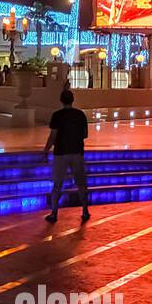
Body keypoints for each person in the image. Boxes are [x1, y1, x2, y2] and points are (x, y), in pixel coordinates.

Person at [43, 89, 90, 223]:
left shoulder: (57, 115)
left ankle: (54, 213)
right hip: (77, 152)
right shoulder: (80, 115)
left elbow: (53, 136)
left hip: (61, 153)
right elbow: (85, 134)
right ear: (72, 100)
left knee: (57, 184)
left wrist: (46, 150)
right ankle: (85, 210)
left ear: (61, 100)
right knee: (81, 184)